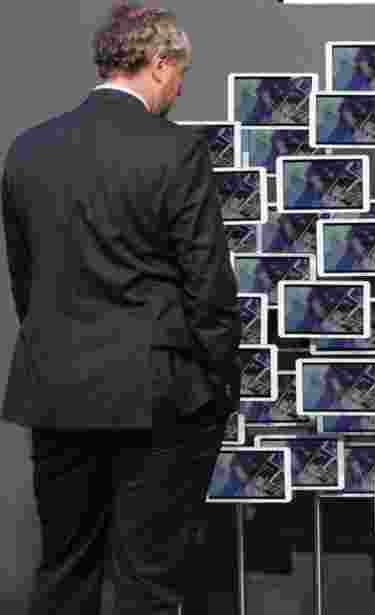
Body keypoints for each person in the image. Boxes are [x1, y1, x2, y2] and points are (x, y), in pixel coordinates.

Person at [1, 4, 243, 613]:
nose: (182, 88)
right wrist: (220, 382)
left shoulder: (28, 150)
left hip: (56, 387)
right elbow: (207, 283)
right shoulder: (177, 151)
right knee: (148, 578)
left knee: (64, 567)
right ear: (159, 64)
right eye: (181, 73)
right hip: (157, 395)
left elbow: (26, 280)